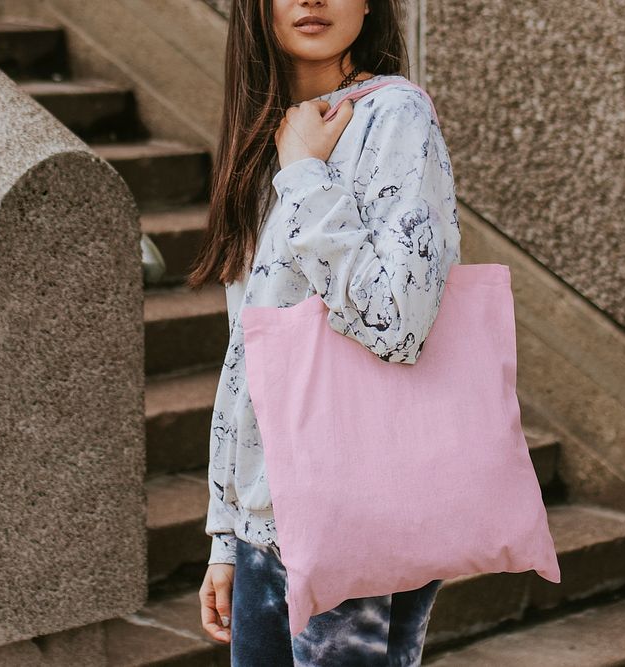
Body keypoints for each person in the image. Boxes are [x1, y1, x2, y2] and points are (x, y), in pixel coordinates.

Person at [186, 0, 462, 663]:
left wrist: (307, 173)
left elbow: (398, 316)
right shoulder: (266, 138)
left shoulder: (395, 116)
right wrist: (227, 533)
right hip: (265, 523)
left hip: (354, 513)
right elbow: (247, 352)